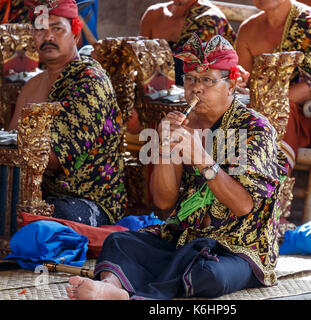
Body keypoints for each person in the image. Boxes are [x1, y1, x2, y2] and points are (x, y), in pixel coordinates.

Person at [66, 34, 289, 300]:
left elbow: (243, 206)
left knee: (208, 273)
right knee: (120, 241)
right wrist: (163, 147)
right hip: (185, 237)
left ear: (231, 85)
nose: (196, 89)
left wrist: (201, 157)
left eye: (207, 80)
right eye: (191, 79)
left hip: (239, 248)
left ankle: (132, 296)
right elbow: (163, 201)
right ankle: (111, 286)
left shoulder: (254, 129)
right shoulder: (183, 122)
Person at [0, 0, 127, 226]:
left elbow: (55, 158)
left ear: (76, 33)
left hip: (88, 199)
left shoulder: (89, 82)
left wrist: (5, 142)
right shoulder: (33, 85)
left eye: (57, 28)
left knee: (36, 218)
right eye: (41, 29)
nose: (48, 37)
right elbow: (15, 144)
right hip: (39, 193)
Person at [235, 0, 311, 170]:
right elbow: (243, 81)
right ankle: (216, 188)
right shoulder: (248, 29)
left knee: (278, 110)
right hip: (259, 113)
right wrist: (239, 84)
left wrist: (262, 104)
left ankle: (270, 189)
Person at [140, 0, 236, 85]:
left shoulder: (209, 19)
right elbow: (139, 59)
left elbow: (195, 72)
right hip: (152, 91)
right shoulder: (153, 14)